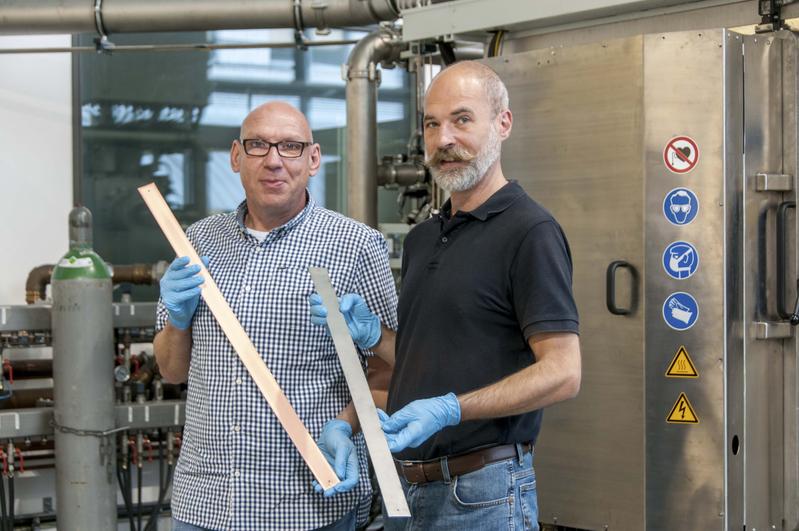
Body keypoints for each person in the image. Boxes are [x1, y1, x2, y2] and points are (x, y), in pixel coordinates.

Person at [309, 61, 581, 530]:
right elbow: (429, 360)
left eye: (461, 119)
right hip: (407, 491)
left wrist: (452, 408)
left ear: (503, 123)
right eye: (431, 124)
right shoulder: (423, 238)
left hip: (484, 496)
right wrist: (376, 336)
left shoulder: (530, 231)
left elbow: (563, 372)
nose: (444, 139)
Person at [153, 101, 398, 531]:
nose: (273, 161)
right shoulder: (197, 241)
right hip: (206, 501)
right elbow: (172, 371)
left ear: (313, 158)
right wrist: (177, 320)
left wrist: (346, 425)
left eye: (290, 146)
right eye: (258, 145)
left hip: (307, 501)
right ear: (235, 156)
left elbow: (390, 372)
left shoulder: (356, 245)